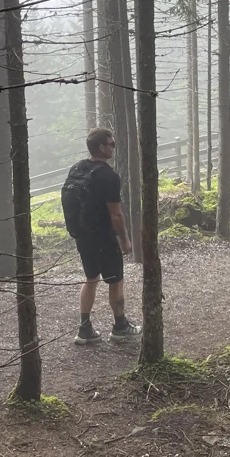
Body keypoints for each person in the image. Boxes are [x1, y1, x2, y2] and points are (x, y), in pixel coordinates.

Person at [62, 128, 142, 345]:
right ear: (101, 147)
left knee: (91, 278)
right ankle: (120, 327)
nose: (113, 147)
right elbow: (116, 214)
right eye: (111, 144)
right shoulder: (108, 176)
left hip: (82, 236)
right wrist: (124, 240)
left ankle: (85, 328)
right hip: (103, 237)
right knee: (115, 281)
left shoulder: (77, 168)